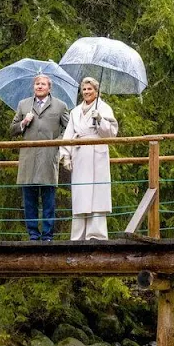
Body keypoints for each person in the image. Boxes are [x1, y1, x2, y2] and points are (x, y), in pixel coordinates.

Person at [11, 74, 69, 241]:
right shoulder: (24, 105)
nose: (40, 86)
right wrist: (23, 123)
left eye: (43, 84)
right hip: (28, 157)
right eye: (37, 84)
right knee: (29, 199)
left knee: (48, 198)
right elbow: (12, 129)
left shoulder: (60, 106)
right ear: (33, 87)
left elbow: (68, 128)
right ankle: (33, 235)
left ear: (49, 88)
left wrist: (57, 143)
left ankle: (47, 235)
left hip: (48, 156)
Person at [60, 77, 118, 240]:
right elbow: (69, 134)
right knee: (81, 194)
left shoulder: (104, 108)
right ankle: (78, 235)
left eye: (89, 89)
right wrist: (66, 155)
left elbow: (112, 133)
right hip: (80, 155)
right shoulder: (75, 111)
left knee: (97, 194)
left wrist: (100, 119)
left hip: (97, 154)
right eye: (84, 89)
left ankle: (97, 234)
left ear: (96, 91)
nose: (86, 92)